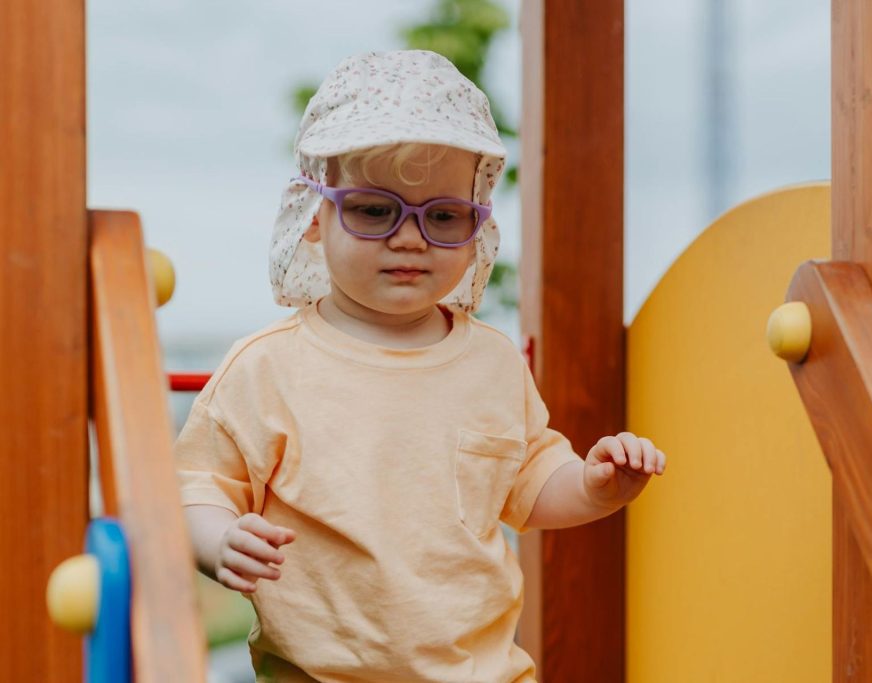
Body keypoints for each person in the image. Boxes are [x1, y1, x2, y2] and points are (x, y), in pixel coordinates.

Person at [175, 50, 666, 683]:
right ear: (315, 218)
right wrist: (218, 542)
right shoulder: (267, 367)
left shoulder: (490, 360)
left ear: (477, 226)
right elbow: (195, 488)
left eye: (443, 216)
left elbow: (529, 484)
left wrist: (596, 488)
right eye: (374, 209)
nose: (410, 238)